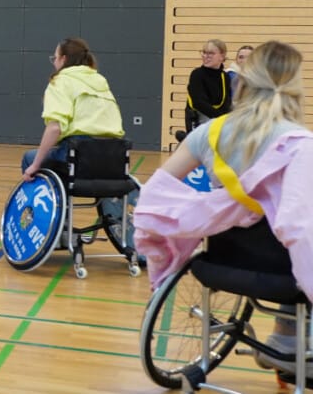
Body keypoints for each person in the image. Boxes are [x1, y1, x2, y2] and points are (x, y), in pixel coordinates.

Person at [134, 41, 313, 374]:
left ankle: (285, 340)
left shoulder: (209, 133)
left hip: (219, 260)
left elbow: (156, 192)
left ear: (241, 83)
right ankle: (288, 339)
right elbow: (300, 228)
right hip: (283, 273)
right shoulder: (300, 144)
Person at [21, 37, 124, 181]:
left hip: (79, 153)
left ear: (63, 59)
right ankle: (116, 201)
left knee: (30, 159)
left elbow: (55, 128)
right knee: (107, 178)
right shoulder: (100, 80)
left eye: (55, 58)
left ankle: (55, 203)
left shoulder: (61, 81)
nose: (54, 62)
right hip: (114, 153)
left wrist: (35, 165)